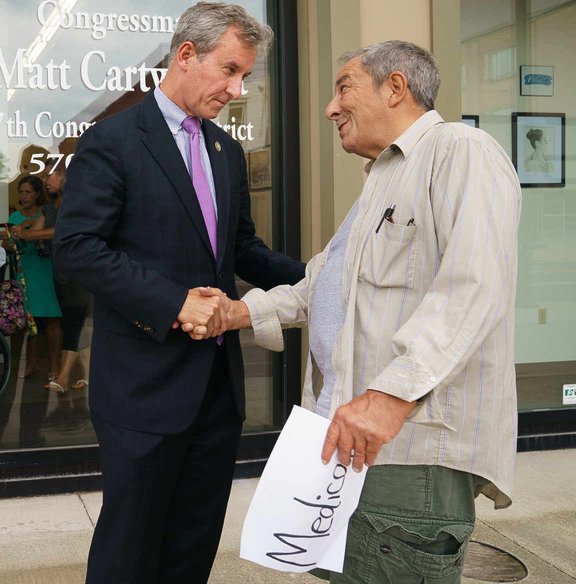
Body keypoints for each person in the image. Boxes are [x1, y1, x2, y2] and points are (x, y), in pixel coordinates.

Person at [208, 40, 520, 583]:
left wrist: (387, 396)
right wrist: (235, 312)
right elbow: (319, 286)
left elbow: (473, 287)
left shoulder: (460, 151)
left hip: (409, 454)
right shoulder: (381, 180)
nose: (331, 108)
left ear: (395, 87)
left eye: (343, 87)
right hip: (350, 449)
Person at [52, 3, 305, 582]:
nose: (239, 89)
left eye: (246, 76)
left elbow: (240, 249)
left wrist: (317, 279)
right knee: (129, 552)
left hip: (216, 391)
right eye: (232, 70)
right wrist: (173, 303)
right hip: (142, 389)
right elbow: (77, 248)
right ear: (187, 55)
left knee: (192, 548)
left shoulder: (226, 152)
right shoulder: (112, 141)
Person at [12, 167, 92, 430]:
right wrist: (19, 231)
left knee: (72, 323)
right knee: (75, 325)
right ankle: (84, 378)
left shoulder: (75, 204)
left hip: (78, 271)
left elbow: (59, 231)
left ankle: (64, 376)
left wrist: (27, 233)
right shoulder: (49, 208)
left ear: (66, 179)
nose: (46, 180)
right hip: (60, 273)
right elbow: (35, 228)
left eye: (51, 176)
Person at [8, 176, 64, 391]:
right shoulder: (14, 216)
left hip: (46, 267)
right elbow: (10, 241)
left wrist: (26, 231)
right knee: (29, 321)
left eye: (28, 192)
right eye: (21, 192)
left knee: (51, 319)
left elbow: (52, 234)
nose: (24, 196)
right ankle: (31, 364)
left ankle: (53, 366)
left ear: (38, 193)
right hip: (27, 269)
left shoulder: (48, 211)